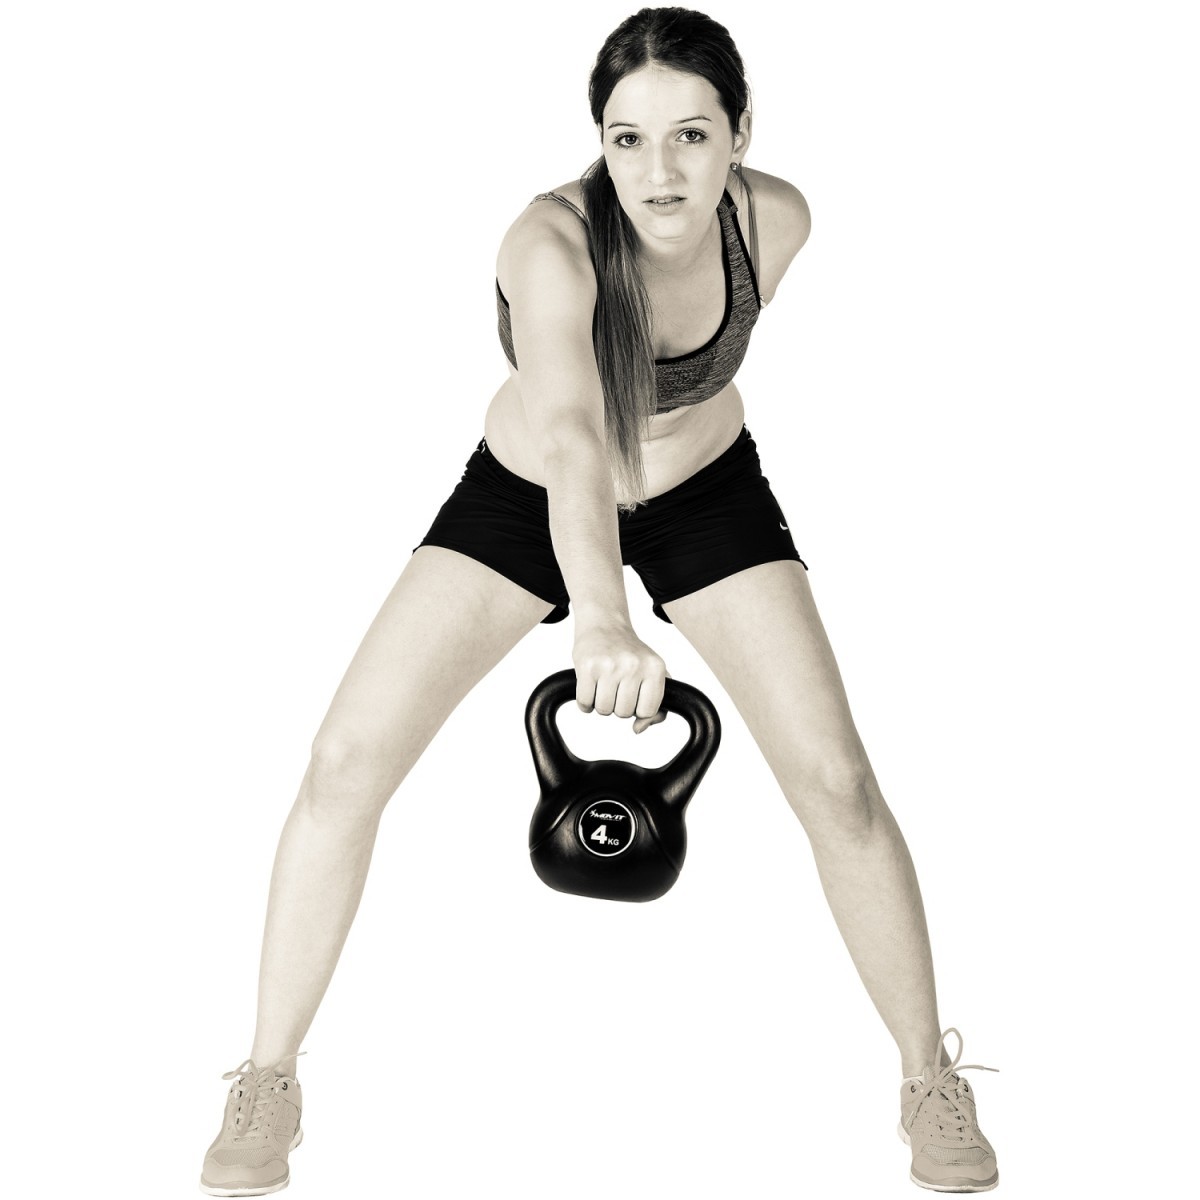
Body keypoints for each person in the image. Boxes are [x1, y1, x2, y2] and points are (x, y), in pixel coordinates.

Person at [199, 7, 999, 1195]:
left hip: (703, 493)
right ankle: (267, 1079)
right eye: (628, 139)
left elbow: (677, 393)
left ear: (740, 133)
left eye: (690, 135)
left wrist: (645, 566)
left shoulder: (775, 223)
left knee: (838, 782)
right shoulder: (550, 244)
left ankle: (930, 1081)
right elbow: (575, 434)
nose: (658, 171)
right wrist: (602, 613)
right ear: (600, 141)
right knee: (343, 761)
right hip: (528, 492)